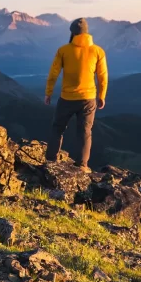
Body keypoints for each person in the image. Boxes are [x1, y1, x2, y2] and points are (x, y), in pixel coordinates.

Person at [44, 18, 108, 171]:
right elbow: (103, 76)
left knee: (57, 128)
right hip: (88, 99)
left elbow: (53, 74)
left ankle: (51, 160)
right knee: (85, 132)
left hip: (67, 98)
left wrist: (48, 92)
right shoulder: (98, 51)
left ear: (72, 33)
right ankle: (82, 165)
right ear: (87, 32)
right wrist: (102, 96)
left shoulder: (63, 50)